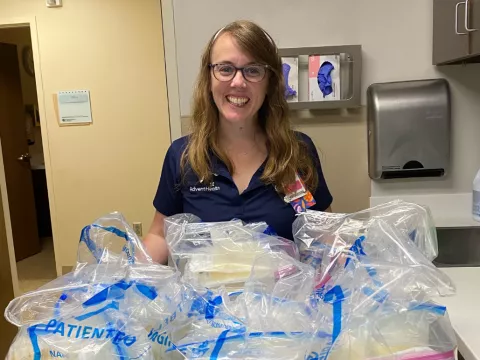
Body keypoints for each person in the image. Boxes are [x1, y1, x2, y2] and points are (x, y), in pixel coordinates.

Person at [144, 20, 332, 264]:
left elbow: (324, 235)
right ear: (209, 77)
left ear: (270, 82)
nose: (238, 82)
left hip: (281, 300)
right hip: (204, 300)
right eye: (225, 69)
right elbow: (159, 236)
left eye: (253, 70)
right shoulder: (183, 156)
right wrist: (125, 280)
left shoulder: (297, 153)